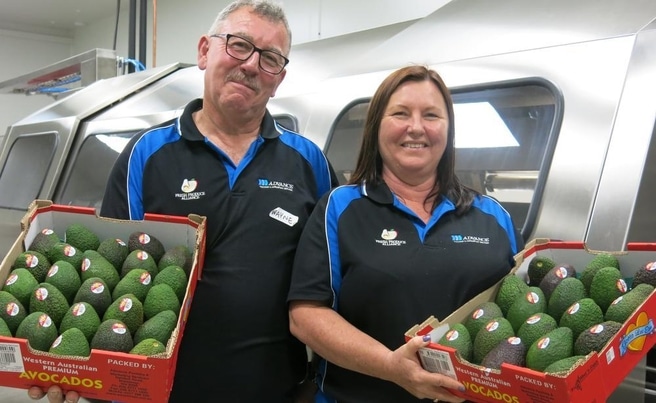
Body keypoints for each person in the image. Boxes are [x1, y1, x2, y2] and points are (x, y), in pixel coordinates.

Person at [28, 1, 337, 402]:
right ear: (205, 51)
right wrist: (74, 368)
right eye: (239, 45)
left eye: (270, 58)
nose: (251, 65)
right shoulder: (146, 153)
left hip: (278, 391)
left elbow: (336, 279)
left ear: (279, 78)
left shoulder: (309, 162)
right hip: (160, 393)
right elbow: (104, 277)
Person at [287, 65, 525, 403]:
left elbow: (518, 309)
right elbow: (306, 316)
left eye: (431, 115)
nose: (416, 128)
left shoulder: (492, 216)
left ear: (448, 130)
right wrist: (391, 366)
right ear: (376, 127)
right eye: (400, 113)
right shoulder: (340, 208)